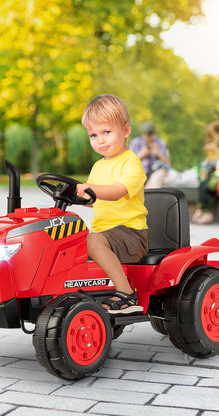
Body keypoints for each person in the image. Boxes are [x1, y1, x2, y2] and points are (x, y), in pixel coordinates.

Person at [76, 94, 149, 314]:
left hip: (132, 234)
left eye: (106, 132)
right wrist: (79, 198)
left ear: (125, 131)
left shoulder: (131, 163)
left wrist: (91, 189)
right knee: (68, 240)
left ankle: (126, 294)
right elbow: (96, 200)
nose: (100, 140)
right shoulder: (98, 166)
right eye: (93, 135)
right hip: (104, 234)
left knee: (92, 241)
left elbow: (117, 192)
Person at [129, 121, 170, 188]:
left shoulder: (160, 142)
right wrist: (143, 153)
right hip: (139, 174)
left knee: (159, 174)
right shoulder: (136, 142)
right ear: (143, 134)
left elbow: (167, 162)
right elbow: (129, 162)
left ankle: (152, 194)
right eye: (147, 136)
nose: (149, 139)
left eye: (151, 136)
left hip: (155, 173)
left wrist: (158, 154)